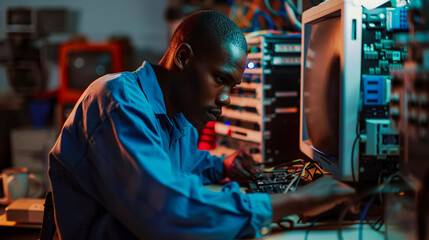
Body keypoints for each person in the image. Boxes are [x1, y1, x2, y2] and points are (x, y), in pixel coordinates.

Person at [48, 10, 355, 240]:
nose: (226, 99)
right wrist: (296, 200)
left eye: (232, 88)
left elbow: (183, 164)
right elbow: (164, 211)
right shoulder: (118, 101)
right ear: (183, 57)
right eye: (220, 79)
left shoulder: (177, 116)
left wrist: (224, 165)